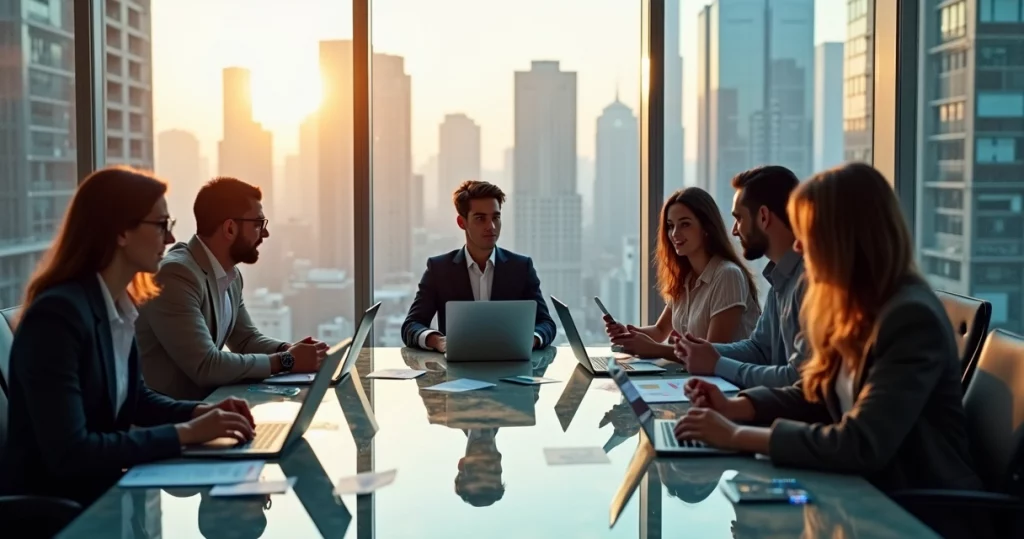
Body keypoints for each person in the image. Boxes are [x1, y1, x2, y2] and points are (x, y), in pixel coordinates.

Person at [673, 163, 981, 492]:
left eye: (808, 234)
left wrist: (737, 435)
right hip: (862, 490)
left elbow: (861, 444)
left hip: (912, 506)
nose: (797, 248)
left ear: (846, 236)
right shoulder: (855, 308)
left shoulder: (909, 318)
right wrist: (735, 407)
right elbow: (817, 393)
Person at [0, 167, 257, 506]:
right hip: (63, 512)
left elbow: (137, 399)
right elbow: (73, 452)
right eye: (161, 226)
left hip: (104, 494)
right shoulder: (58, 317)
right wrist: (188, 434)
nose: (169, 240)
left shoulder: (116, 305)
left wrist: (201, 413)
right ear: (121, 231)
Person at [136, 177, 327, 400]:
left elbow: (246, 340)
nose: (264, 234)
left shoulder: (230, 275)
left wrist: (293, 350)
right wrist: (287, 360)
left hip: (205, 410)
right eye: (258, 224)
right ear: (230, 228)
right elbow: (206, 365)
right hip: (168, 421)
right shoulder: (176, 275)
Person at [672, 166, 806, 388]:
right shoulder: (780, 280)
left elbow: (797, 380)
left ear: (763, 217)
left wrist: (717, 364)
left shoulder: (808, 282)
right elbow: (760, 349)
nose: (734, 230)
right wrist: (706, 351)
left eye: (739, 218)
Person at [401, 180, 556, 352]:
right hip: (457, 372)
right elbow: (411, 325)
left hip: (511, 370)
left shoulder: (521, 268)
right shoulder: (439, 269)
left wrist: (532, 339)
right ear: (462, 223)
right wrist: (437, 341)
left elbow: (546, 323)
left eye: (495, 217)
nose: (491, 227)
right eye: (480, 218)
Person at [605, 187, 760, 359]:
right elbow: (660, 330)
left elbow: (712, 355)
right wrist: (627, 334)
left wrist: (654, 349)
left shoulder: (728, 275)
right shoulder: (686, 278)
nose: (675, 233)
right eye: (671, 226)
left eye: (685, 224)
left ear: (706, 227)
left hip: (730, 384)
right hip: (697, 377)